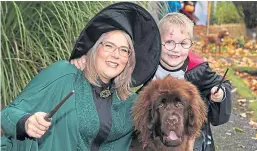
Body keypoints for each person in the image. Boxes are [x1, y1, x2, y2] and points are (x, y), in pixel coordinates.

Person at [1, 2, 161, 151]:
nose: (116, 55)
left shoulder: (128, 103)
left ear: (128, 60)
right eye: (109, 46)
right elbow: (9, 113)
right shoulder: (63, 74)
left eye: (124, 50)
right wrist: (26, 122)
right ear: (94, 49)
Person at [71, 12, 232, 151]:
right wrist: (85, 60)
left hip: (192, 136)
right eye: (169, 42)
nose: (176, 49)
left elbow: (222, 85)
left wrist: (220, 94)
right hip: (152, 132)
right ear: (157, 43)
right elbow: (113, 70)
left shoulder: (199, 69)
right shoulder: (145, 65)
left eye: (183, 43)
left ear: (190, 44)